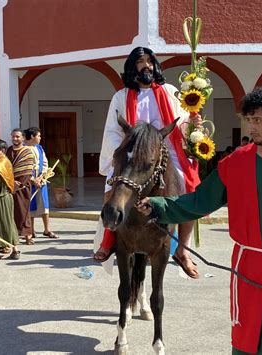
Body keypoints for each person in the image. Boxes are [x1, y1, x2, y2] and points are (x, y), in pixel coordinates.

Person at [137, 86, 262, 354]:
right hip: (250, 265)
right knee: (249, 336)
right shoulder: (236, 162)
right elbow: (200, 201)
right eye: (248, 120)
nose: (251, 127)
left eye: (258, 120)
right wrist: (159, 205)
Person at [94, 46, 200, 279]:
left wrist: (193, 126)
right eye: (141, 63)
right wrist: (118, 155)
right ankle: (109, 239)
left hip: (167, 149)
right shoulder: (121, 96)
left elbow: (181, 123)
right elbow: (113, 131)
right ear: (133, 68)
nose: (147, 67)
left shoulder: (170, 91)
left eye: (150, 62)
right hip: (133, 152)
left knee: (190, 192)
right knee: (110, 190)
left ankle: (183, 250)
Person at [24, 127, 58, 240]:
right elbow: (25, 167)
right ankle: (31, 230)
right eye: (38, 136)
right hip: (29, 182)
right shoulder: (23, 149)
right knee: (31, 205)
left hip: (41, 180)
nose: (40, 138)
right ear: (32, 137)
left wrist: (42, 176)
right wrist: (33, 179)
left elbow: (44, 162)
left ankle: (47, 229)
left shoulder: (39, 148)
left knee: (44, 205)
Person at [6, 129, 36, 245]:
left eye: (17, 136)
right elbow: (5, 167)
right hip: (9, 185)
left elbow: (29, 169)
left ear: (23, 138)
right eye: (13, 136)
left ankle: (28, 235)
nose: (15, 138)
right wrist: (11, 182)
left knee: (24, 211)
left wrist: (20, 184)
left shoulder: (27, 152)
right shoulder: (8, 151)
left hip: (23, 186)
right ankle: (13, 235)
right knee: (12, 212)